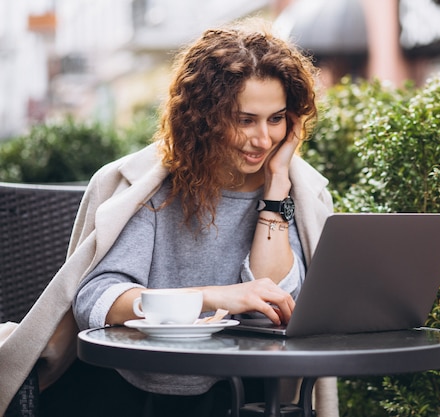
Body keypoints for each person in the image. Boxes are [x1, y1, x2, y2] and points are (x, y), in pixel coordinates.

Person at [0, 17, 338, 417]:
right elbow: (96, 299)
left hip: (237, 388)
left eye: (276, 119)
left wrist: (277, 185)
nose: (263, 139)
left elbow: (275, 303)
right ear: (206, 117)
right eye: (245, 120)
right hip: (127, 386)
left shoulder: (294, 190)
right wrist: (210, 297)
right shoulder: (153, 186)